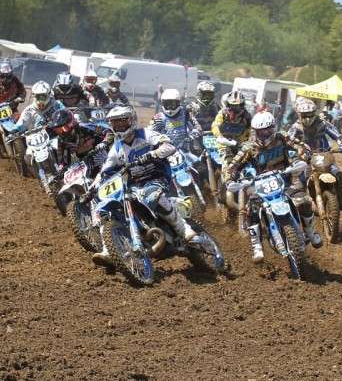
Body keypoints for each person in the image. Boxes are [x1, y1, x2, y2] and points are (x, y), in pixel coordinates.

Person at [91, 104, 197, 266]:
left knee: (152, 196)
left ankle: (184, 228)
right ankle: (109, 250)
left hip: (156, 175)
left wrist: (152, 154)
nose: (119, 125)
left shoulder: (146, 134)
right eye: (115, 122)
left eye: (122, 121)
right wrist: (93, 187)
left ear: (132, 120)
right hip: (135, 184)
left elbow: (169, 146)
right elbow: (105, 170)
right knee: (110, 210)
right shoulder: (116, 148)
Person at [225, 111, 320, 262]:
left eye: (268, 130)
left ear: (273, 128)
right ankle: (257, 245)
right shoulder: (249, 147)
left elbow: (300, 146)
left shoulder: (283, 137)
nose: (265, 134)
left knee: (304, 200)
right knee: (252, 208)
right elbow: (232, 166)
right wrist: (229, 180)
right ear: (255, 131)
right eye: (261, 131)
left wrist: (302, 157)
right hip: (258, 184)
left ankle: (310, 232)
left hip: (285, 180)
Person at [288, 97, 342, 214]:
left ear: (315, 113)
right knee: (300, 181)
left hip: (324, 155)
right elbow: (288, 139)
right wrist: (294, 147)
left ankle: (340, 201)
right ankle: (303, 204)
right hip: (306, 157)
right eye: (304, 115)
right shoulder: (295, 127)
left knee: (339, 175)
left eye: (310, 115)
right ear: (299, 114)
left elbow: (336, 134)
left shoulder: (322, 123)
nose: (307, 118)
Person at [211, 91, 252, 175]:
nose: (235, 108)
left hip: (239, 143)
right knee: (228, 162)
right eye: (232, 105)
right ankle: (228, 179)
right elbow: (215, 126)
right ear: (228, 104)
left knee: (248, 160)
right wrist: (219, 136)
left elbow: (250, 131)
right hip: (224, 143)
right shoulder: (223, 113)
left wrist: (243, 142)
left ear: (242, 105)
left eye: (237, 106)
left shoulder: (247, 116)